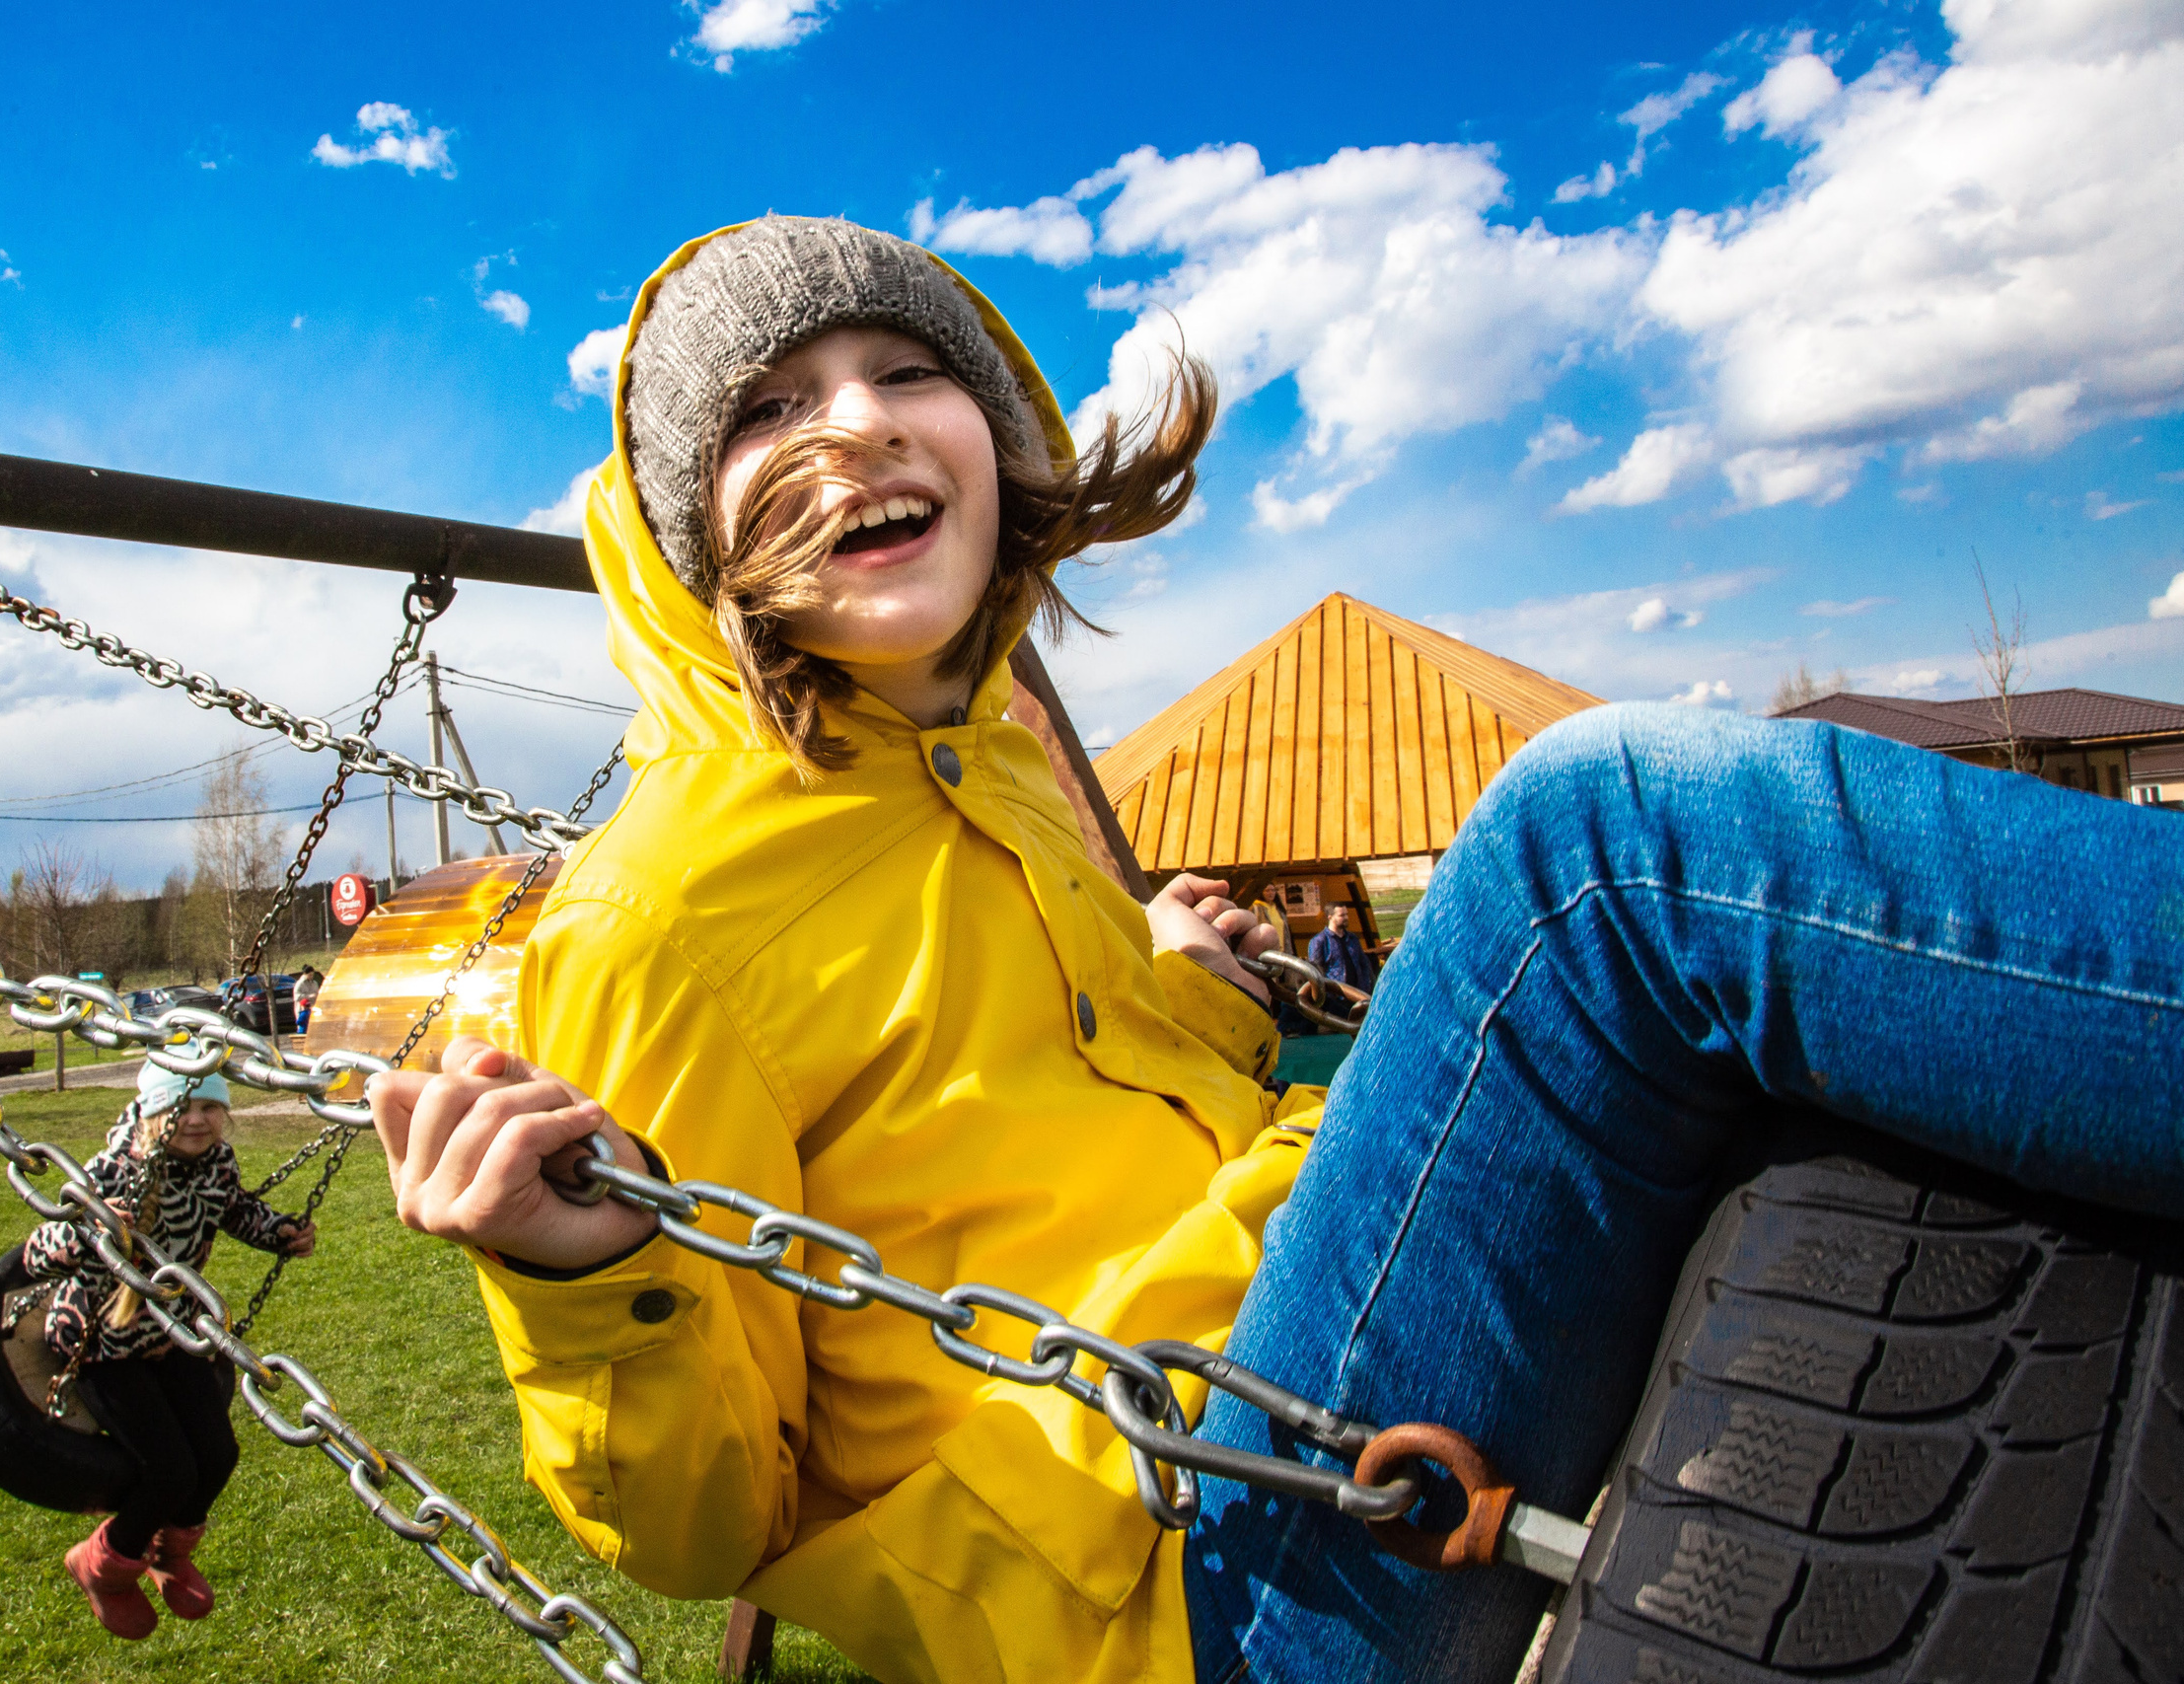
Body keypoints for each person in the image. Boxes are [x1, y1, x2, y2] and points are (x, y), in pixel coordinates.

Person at [365, 217, 2184, 1684]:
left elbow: (993, 1123)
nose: (854, 424)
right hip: (1187, 1573)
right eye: (769, 409)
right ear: (691, 522)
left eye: (907, 370)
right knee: (1596, 847)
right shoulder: (657, 914)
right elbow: (704, 1532)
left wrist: (1155, 976)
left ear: (1001, 444)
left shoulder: (989, 767)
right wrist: (587, 1273)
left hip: (1288, 1349)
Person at [26, 1062, 317, 1640]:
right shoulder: (110, 1172)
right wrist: (93, 1232)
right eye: (181, 1109)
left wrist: (278, 1232)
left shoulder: (216, 1164)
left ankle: (166, 1553)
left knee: (218, 1454)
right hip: (101, 1343)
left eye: (210, 1108)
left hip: (170, 1330)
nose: (196, 1121)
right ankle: (102, 1563)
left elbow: (233, 1210)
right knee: (169, 1469)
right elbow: (38, 1253)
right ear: (153, 1112)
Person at [1307, 902, 1375, 998]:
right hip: (1336, 997)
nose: (1346, 918)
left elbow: (1364, 964)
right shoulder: (1319, 941)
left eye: (1346, 914)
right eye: (1341, 915)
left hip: (1358, 993)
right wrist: (1329, 994)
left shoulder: (1352, 938)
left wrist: (1366, 986)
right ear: (1330, 917)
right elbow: (1315, 971)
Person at [292, 965, 322, 1035]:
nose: (311, 976)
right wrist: (309, 996)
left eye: (312, 975)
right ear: (305, 974)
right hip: (302, 1010)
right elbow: (296, 997)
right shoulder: (300, 984)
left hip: (312, 1008)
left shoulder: (314, 983)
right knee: (303, 1028)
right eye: (310, 975)